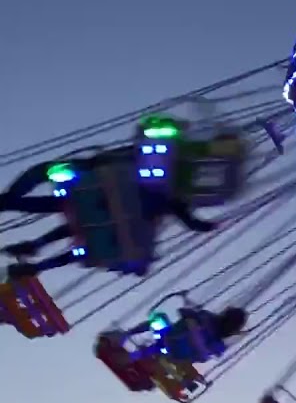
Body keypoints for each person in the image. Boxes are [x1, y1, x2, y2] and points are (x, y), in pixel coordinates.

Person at [1, 152, 218, 277]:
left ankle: (34, 246)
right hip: (108, 200)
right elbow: (190, 220)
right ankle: (35, 251)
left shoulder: (167, 194)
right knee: (81, 228)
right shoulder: (167, 190)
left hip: (107, 206)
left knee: (81, 224)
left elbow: (189, 219)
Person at [126, 306, 248, 362]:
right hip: (175, 355)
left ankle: (127, 334)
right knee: (162, 348)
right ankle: (136, 355)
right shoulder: (219, 343)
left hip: (168, 339)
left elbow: (182, 311)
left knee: (159, 318)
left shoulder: (206, 317)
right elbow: (206, 356)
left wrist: (192, 322)